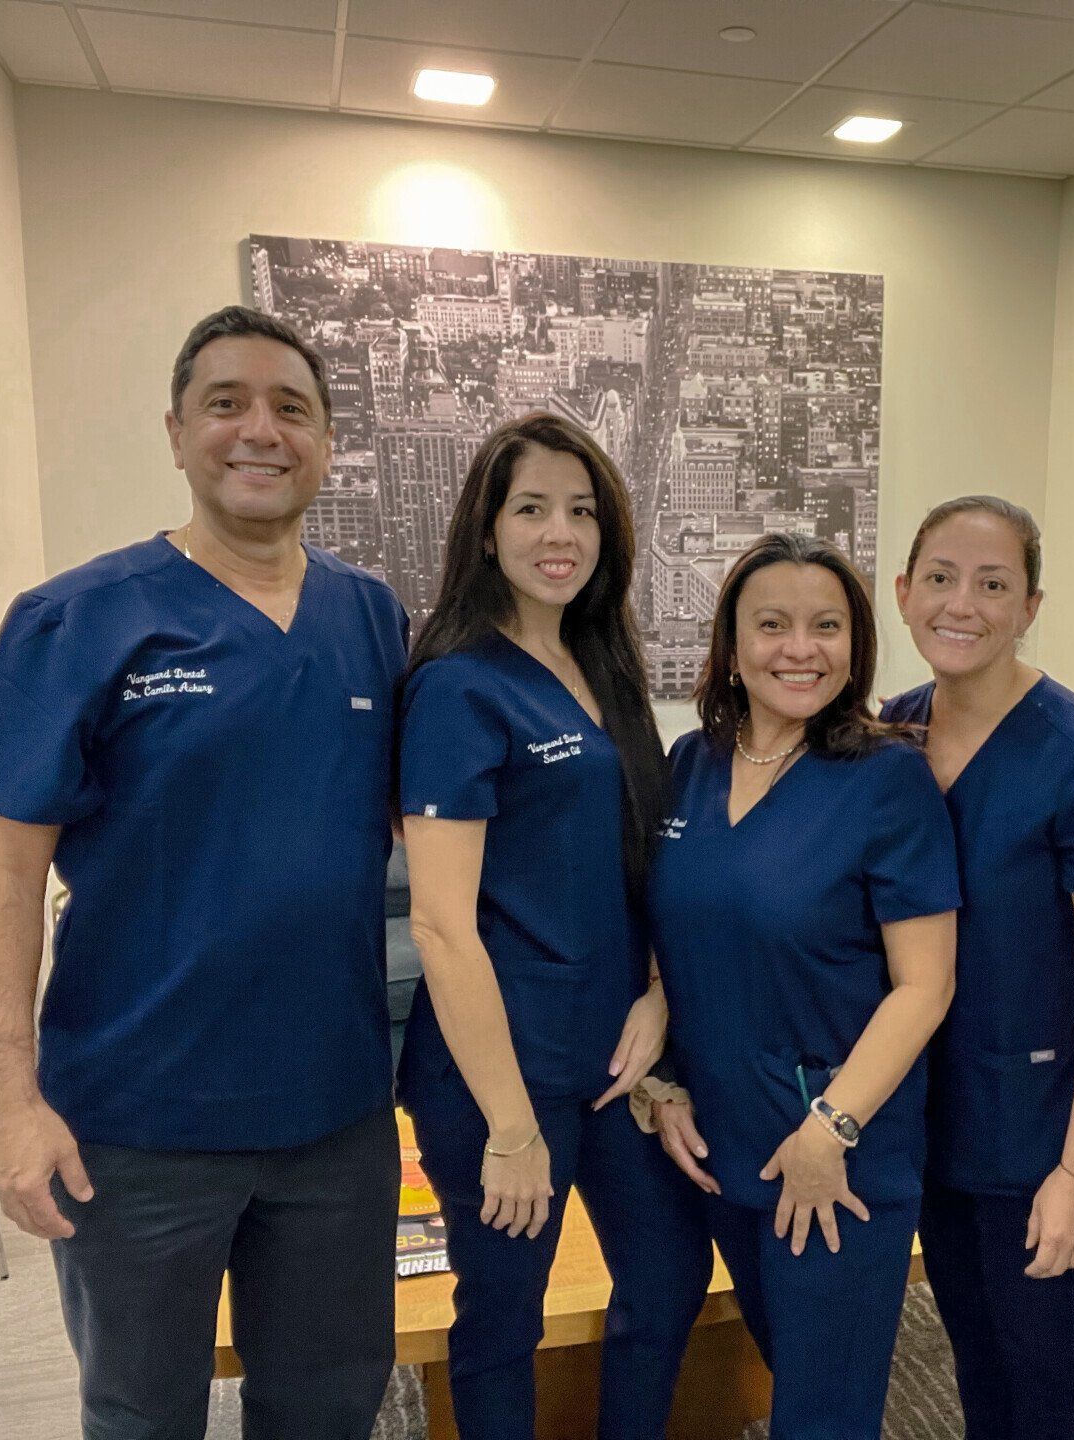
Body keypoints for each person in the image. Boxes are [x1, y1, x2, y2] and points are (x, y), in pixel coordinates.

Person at [0, 306, 407, 1439]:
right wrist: (11, 1106)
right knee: (143, 1413)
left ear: (327, 441)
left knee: (329, 1408)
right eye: (227, 403)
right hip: (137, 1125)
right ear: (176, 432)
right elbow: (2, 883)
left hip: (336, 1117)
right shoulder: (78, 620)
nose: (260, 430)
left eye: (291, 409)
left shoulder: (374, 619)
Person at [395, 412, 711, 1440]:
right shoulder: (456, 688)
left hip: (615, 1063)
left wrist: (661, 999)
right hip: (503, 1077)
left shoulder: (604, 668)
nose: (558, 532)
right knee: (502, 1320)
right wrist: (510, 1127)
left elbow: (641, 861)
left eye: (580, 510)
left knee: (666, 1285)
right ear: (486, 530)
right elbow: (442, 927)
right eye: (530, 508)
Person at [648, 532, 961, 1440]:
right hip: (723, 1144)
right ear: (731, 646)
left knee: (823, 1413)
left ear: (855, 646)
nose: (800, 648)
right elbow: (674, 941)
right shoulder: (691, 764)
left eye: (827, 626)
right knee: (787, 1367)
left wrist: (832, 1130)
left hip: (836, 1153)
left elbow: (925, 987)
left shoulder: (886, 777)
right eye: (773, 624)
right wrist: (663, 1085)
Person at [883, 496, 1074, 1440]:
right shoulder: (891, 732)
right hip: (926, 1116)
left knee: (1041, 1373)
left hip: (1038, 1131)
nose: (964, 604)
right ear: (905, 594)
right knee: (973, 1354)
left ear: (1030, 605)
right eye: (941, 579)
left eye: (994, 584)